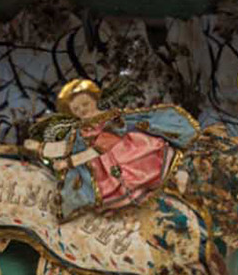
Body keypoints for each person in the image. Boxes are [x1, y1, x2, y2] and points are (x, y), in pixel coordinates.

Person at [28, 78, 200, 216]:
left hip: (129, 155)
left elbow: (103, 145)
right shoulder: (79, 132)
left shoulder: (111, 118)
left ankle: (179, 182)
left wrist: (69, 162)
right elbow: (64, 148)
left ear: (94, 99)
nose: (82, 110)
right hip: (104, 172)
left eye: (85, 104)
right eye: (76, 109)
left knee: (150, 172)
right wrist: (40, 148)